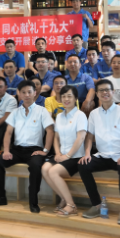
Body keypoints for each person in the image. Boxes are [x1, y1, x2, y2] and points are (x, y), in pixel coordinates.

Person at [0, 80, 54, 213]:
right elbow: (8, 132)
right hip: (17, 150)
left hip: (35, 150)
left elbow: (50, 131)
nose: (26, 95)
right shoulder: (15, 112)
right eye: (23, 92)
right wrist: (6, 151)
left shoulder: (42, 111)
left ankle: (33, 202)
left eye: (29, 92)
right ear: (19, 94)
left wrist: (45, 151)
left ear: (35, 93)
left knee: (35, 166)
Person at [78, 79, 120, 226]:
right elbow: (89, 136)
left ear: (113, 92)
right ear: (97, 94)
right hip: (103, 155)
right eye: (101, 90)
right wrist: (87, 153)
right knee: (83, 165)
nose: (104, 92)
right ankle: (96, 205)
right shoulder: (94, 114)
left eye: (107, 90)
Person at [42, 85, 87, 216]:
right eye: (63, 96)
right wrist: (57, 153)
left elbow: (81, 137)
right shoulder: (60, 116)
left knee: (53, 171)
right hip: (61, 154)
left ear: (76, 98)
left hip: (75, 156)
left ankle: (71, 205)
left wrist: (67, 155)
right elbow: (56, 137)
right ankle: (63, 198)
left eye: (69, 96)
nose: (66, 99)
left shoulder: (80, 115)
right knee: (44, 168)